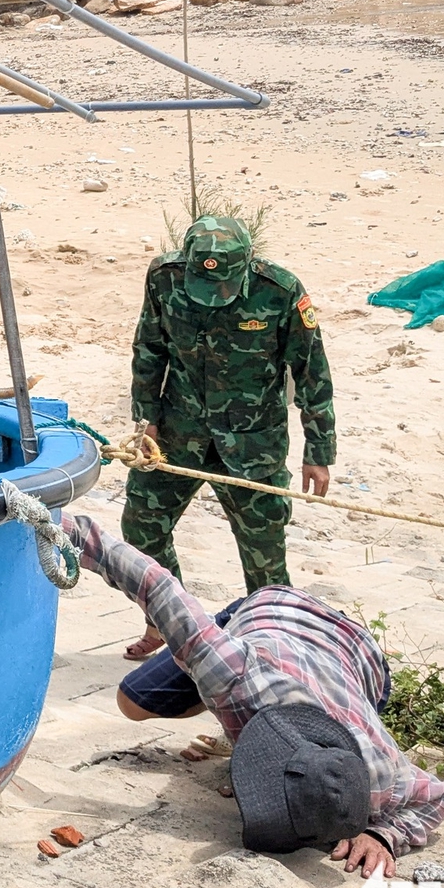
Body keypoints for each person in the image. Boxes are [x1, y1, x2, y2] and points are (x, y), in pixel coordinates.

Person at [65, 509, 444, 877]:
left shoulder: (380, 776)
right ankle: (212, 650)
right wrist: (62, 528)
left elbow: (438, 797)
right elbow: (155, 583)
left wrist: (383, 833)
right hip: (270, 608)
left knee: (201, 668)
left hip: (358, 657)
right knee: (130, 703)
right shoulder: (231, 673)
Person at [123, 214, 335, 659]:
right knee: (141, 528)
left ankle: (275, 648)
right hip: (178, 436)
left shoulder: (280, 292)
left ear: (246, 263)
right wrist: (147, 420)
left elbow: (311, 371)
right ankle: (169, 626)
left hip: (252, 444)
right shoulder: (165, 279)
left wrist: (318, 450)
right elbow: (149, 348)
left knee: (264, 559)